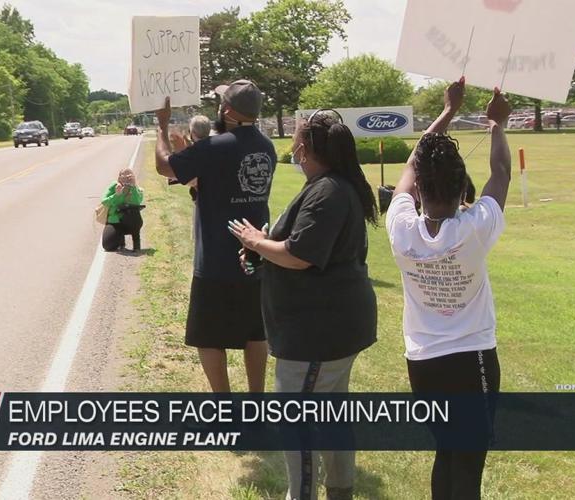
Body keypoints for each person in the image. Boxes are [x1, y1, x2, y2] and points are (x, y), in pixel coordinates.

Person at [229, 110, 378, 500]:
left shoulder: (328, 190)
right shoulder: (327, 185)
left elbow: (300, 255)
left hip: (317, 335)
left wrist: (255, 241)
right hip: (328, 329)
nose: (291, 146)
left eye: (295, 138)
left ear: (306, 148)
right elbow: (300, 246)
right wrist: (265, 248)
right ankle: (340, 491)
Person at [385, 79, 512, 500]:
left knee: (446, 452)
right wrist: (497, 125)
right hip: (471, 357)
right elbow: (501, 174)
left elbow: (412, 165)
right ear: (463, 192)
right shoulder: (474, 228)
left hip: (422, 360)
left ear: (419, 190)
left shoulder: (401, 226)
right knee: (468, 463)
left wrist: (447, 111)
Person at [154, 80, 276, 393]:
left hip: (216, 260)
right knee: (255, 334)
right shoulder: (266, 146)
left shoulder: (215, 147)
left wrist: (162, 125)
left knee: (208, 337)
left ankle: (224, 406)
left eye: (222, 102)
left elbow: (165, 167)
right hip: (256, 255)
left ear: (228, 110)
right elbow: (221, 184)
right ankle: (256, 401)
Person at [100, 167, 144, 252]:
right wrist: (117, 194)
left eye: (129, 177)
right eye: (124, 177)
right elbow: (104, 201)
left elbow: (137, 202)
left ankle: (136, 246)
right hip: (115, 221)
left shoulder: (137, 189)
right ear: (119, 177)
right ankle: (121, 243)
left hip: (131, 220)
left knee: (135, 214)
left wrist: (133, 187)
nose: (127, 179)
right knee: (108, 246)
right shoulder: (114, 186)